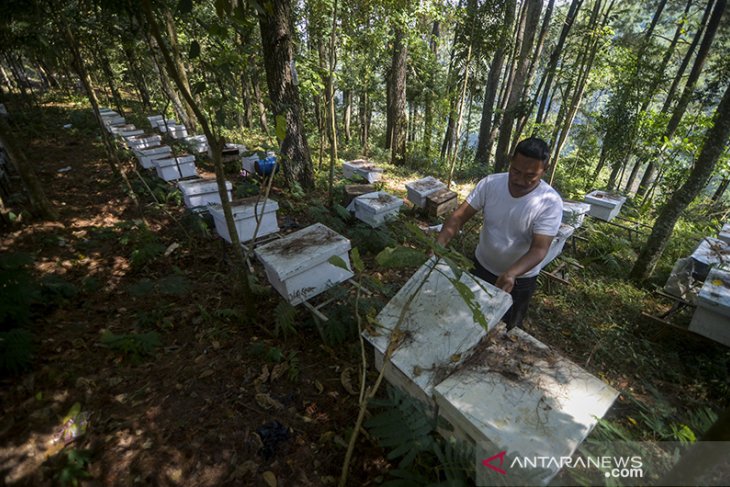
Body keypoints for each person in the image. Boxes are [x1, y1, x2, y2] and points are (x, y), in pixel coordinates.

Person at [436, 137, 563, 330]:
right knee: (469, 316)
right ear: (511, 163)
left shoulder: (550, 202)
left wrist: (512, 273)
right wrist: (438, 246)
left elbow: (539, 249)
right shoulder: (490, 184)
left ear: (544, 171)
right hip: (481, 267)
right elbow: (458, 217)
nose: (520, 180)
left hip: (519, 280)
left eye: (530, 176)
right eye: (516, 171)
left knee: (507, 328)